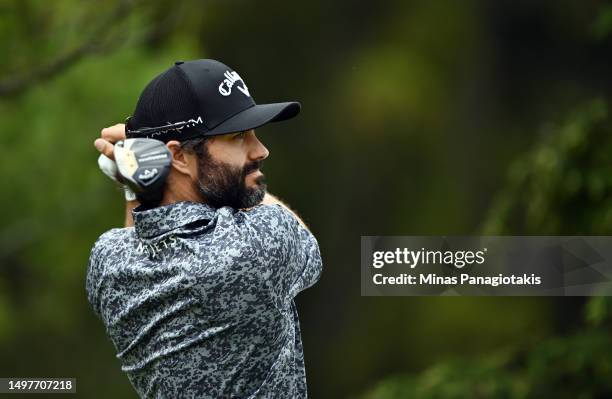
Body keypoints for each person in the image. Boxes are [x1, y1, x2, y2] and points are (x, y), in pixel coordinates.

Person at [86, 59, 323, 398]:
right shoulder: (253, 248)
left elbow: (133, 235)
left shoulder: (107, 264)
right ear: (179, 157)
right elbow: (304, 240)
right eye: (239, 136)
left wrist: (137, 171)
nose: (260, 150)